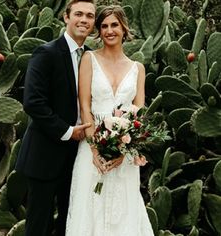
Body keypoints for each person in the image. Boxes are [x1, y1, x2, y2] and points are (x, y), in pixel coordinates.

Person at [66, 5, 155, 236]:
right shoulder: (89, 59)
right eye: (104, 26)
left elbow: (138, 113)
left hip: (124, 153)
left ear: (124, 28)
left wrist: (124, 151)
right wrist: (95, 150)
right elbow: (84, 106)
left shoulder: (138, 68)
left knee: (123, 212)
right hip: (91, 147)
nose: (109, 30)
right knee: (89, 208)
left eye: (114, 25)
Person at [15, 0, 96, 235]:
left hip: (78, 157)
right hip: (45, 154)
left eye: (89, 16)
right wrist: (68, 131)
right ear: (66, 17)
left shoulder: (91, 57)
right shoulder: (46, 52)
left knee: (69, 223)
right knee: (39, 225)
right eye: (78, 14)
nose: (84, 19)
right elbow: (33, 101)